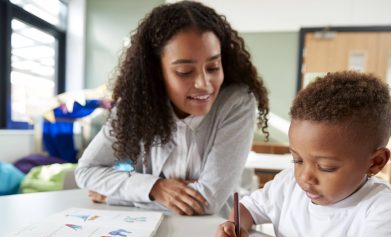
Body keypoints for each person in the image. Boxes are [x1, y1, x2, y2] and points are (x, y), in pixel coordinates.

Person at [187, 71, 391, 237]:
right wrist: (233, 225)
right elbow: (248, 208)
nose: (304, 177)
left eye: (326, 167)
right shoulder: (288, 184)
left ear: (375, 162)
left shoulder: (387, 208)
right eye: (297, 160)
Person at [74, 1, 269, 216]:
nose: (204, 84)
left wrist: (116, 195)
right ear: (157, 72)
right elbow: (86, 171)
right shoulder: (136, 105)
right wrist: (157, 188)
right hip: (146, 229)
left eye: (213, 67)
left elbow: (207, 200)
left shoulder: (237, 102)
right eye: (185, 71)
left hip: (215, 231)